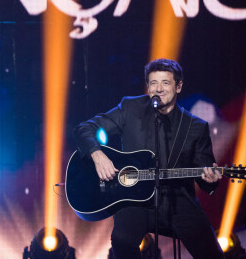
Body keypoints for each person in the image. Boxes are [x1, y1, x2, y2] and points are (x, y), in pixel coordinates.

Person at [73, 58, 225, 259]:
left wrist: (210, 180)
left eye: (165, 83)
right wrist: (97, 155)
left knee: (212, 253)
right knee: (122, 240)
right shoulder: (130, 108)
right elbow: (84, 128)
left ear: (178, 86)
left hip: (177, 199)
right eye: (153, 83)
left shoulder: (195, 127)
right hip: (134, 198)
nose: (159, 89)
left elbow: (205, 173)